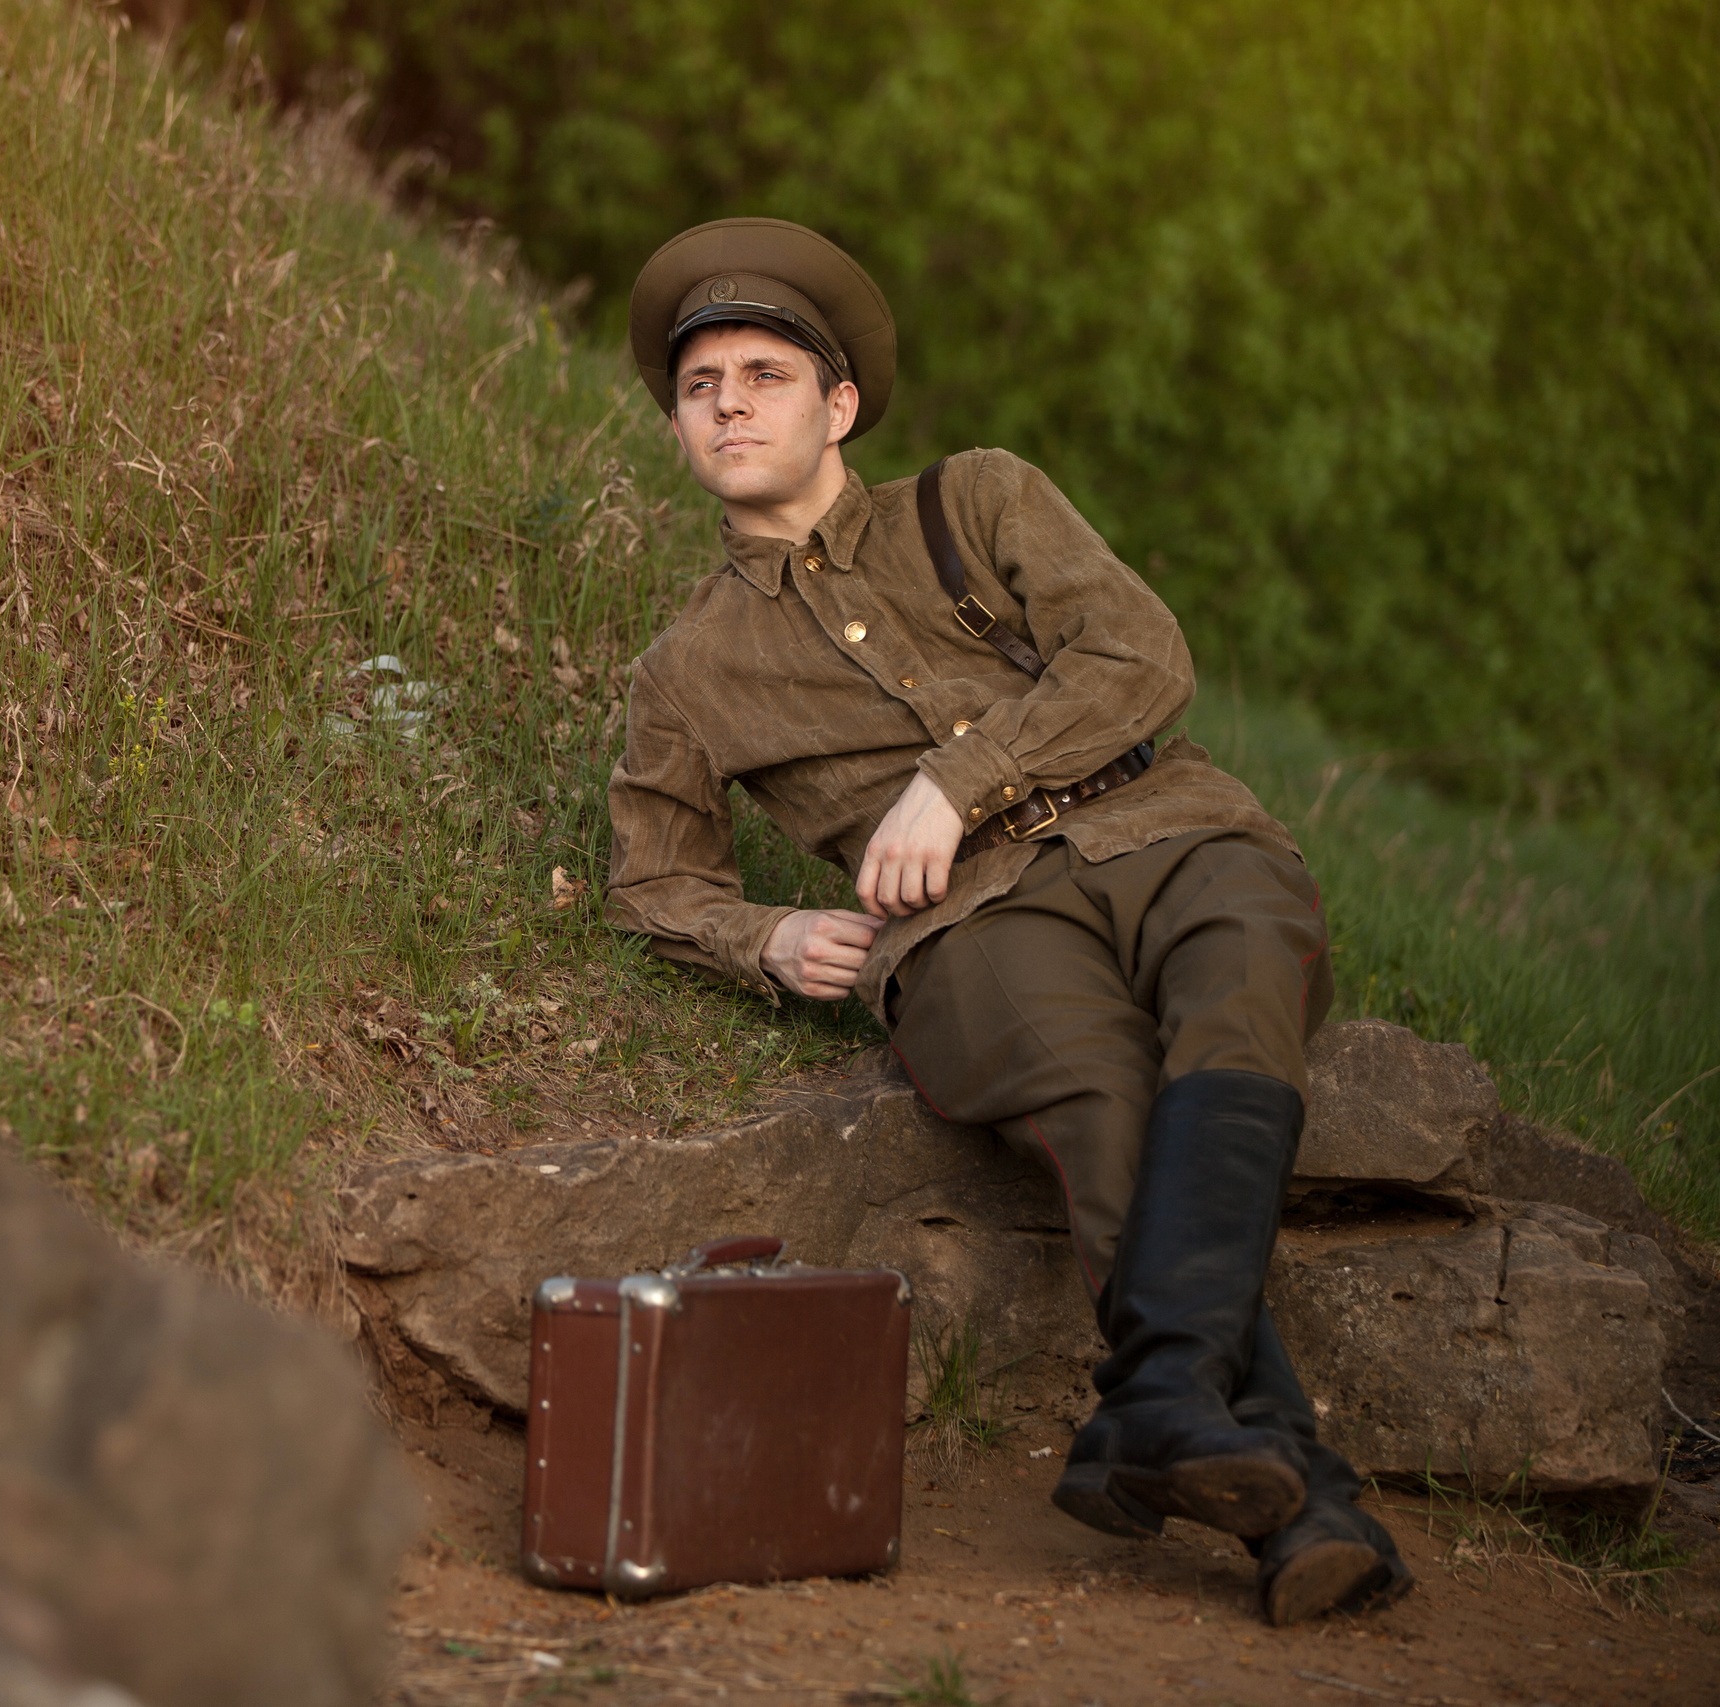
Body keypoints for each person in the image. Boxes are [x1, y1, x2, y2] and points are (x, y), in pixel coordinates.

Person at [603, 217, 1415, 1625]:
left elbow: (1142, 651)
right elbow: (652, 878)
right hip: (973, 930)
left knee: (1241, 985)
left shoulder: (973, 500)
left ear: (838, 404)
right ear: (680, 429)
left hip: (1175, 831)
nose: (727, 400)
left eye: (764, 373)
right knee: (1099, 1092)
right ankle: (1285, 1487)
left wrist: (956, 778)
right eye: (699, 386)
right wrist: (768, 939)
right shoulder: (689, 668)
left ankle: (1166, 1404)